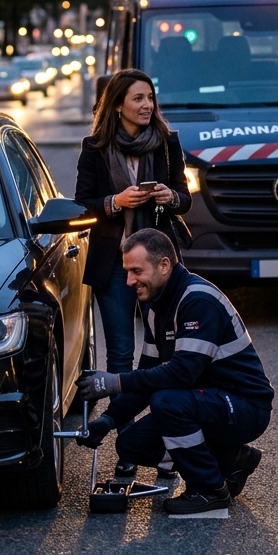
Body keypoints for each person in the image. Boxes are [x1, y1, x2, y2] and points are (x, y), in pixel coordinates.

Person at [76, 228, 273, 514]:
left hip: (244, 406)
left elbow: (183, 374)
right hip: (205, 402)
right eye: (127, 272)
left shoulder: (197, 301)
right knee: (131, 444)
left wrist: (114, 382)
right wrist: (107, 420)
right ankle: (233, 460)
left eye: (136, 271)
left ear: (164, 265)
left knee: (168, 401)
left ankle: (209, 491)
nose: (129, 281)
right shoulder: (157, 307)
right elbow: (147, 375)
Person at [75, 68, 191, 375]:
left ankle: (166, 415)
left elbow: (185, 198)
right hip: (114, 262)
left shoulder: (167, 143)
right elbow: (81, 206)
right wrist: (116, 202)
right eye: (138, 98)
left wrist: (171, 197)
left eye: (150, 98)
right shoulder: (94, 148)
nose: (147, 105)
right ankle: (122, 421)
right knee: (121, 350)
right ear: (117, 105)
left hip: (157, 261)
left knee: (167, 346)